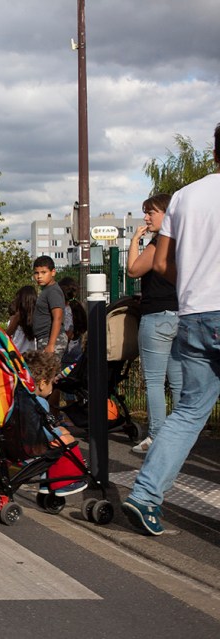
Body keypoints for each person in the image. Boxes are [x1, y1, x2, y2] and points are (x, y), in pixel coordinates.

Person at [123, 123, 220, 536]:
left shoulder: (185, 196)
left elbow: (159, 264)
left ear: (215, 153)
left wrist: (198, 283)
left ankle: (145, 495)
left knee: (187, 413)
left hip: (194, 314)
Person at [125, 194, 182, 454]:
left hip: (157, 315)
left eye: (151, 212)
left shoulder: (160, 241)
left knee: (155, 381)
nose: (146, 218)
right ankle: (181, 436)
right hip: (179, 314)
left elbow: (134, 270)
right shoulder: (182, 240)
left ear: (166, 213)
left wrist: (135, 241)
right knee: (178, 380)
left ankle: (157, 435)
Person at [23, 350, 87, 496]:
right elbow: (43, 433)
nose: (53, 386)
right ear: (43, 384)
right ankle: (67, 481)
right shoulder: (39, 403)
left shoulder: (19, 400)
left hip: (19, 444)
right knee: (67, 439)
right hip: (33, 447)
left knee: (61, 433)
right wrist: (58, 433)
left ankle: (47, 480)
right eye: (51, 382)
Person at [32, 256, 67, 358]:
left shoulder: (53, 291)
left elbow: (58, 317)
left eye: (43, 272)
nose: (39, 276)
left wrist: (51, 344)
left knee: (47, 372)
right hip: (44, 339)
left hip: (51, 339)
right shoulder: (46, 290)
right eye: (36, 273)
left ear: (53, 272)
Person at [57, 277, 87, 366]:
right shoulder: (78, 306)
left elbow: (68, 332)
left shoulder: (65, 310)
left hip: (66, 355)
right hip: (77, 354)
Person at [5, 285, 37, 353]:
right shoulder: (38, 316)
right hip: (33, 354)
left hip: (18, 353)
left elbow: (7, 334)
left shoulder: (18, 316)